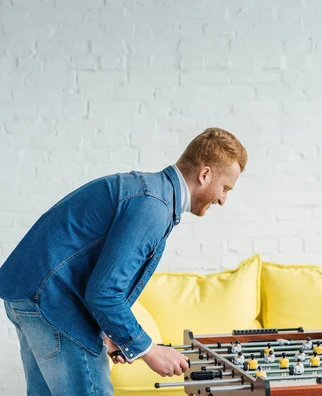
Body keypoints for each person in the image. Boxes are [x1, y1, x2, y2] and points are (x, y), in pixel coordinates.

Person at [0, 128, 247, 395]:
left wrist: (115, 335)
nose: (222, 199)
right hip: (53, 305)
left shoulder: (147, 191)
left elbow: (90, 267)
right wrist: (149, 350)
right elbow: (104, 294)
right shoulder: (153, 207)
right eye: (225, 188)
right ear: (205, 174)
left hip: (28, 298)